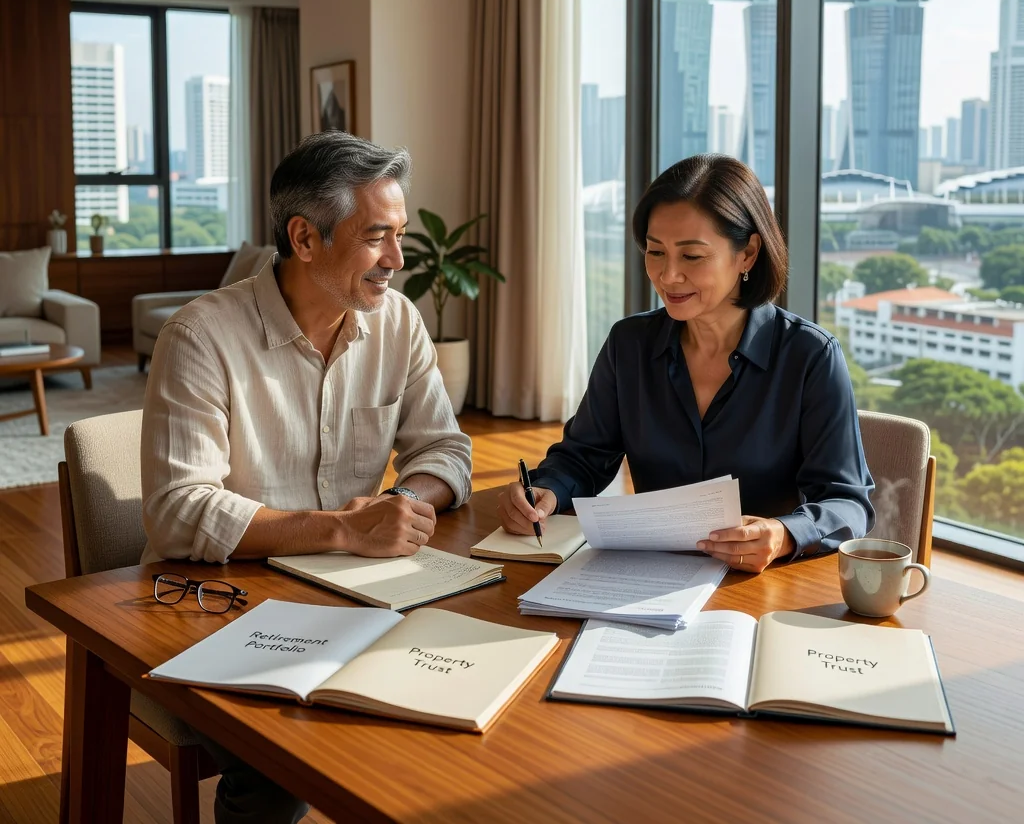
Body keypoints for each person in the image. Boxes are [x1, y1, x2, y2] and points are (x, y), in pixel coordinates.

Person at [141, 131, 472, 823]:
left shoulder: (399, 324)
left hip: (354, 599)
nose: (398, 260)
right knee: (280, 759)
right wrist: (344, 531)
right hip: (218, 605)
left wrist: (404, 503)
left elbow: (444, 449)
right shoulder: (200, 337)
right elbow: (177, 510)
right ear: (304, 238)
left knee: (465, 694)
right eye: (377, 236)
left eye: (400, 234)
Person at [498, 153, 874, 573]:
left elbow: (847, 503)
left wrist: (783, 534)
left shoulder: (810, 357)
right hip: (648, 575)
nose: (667, 275)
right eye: (655, 252)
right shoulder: (630, 345)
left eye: (692, 256)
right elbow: (583, 456)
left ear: (748, 253)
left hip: (758, 585)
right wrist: (546, 489)